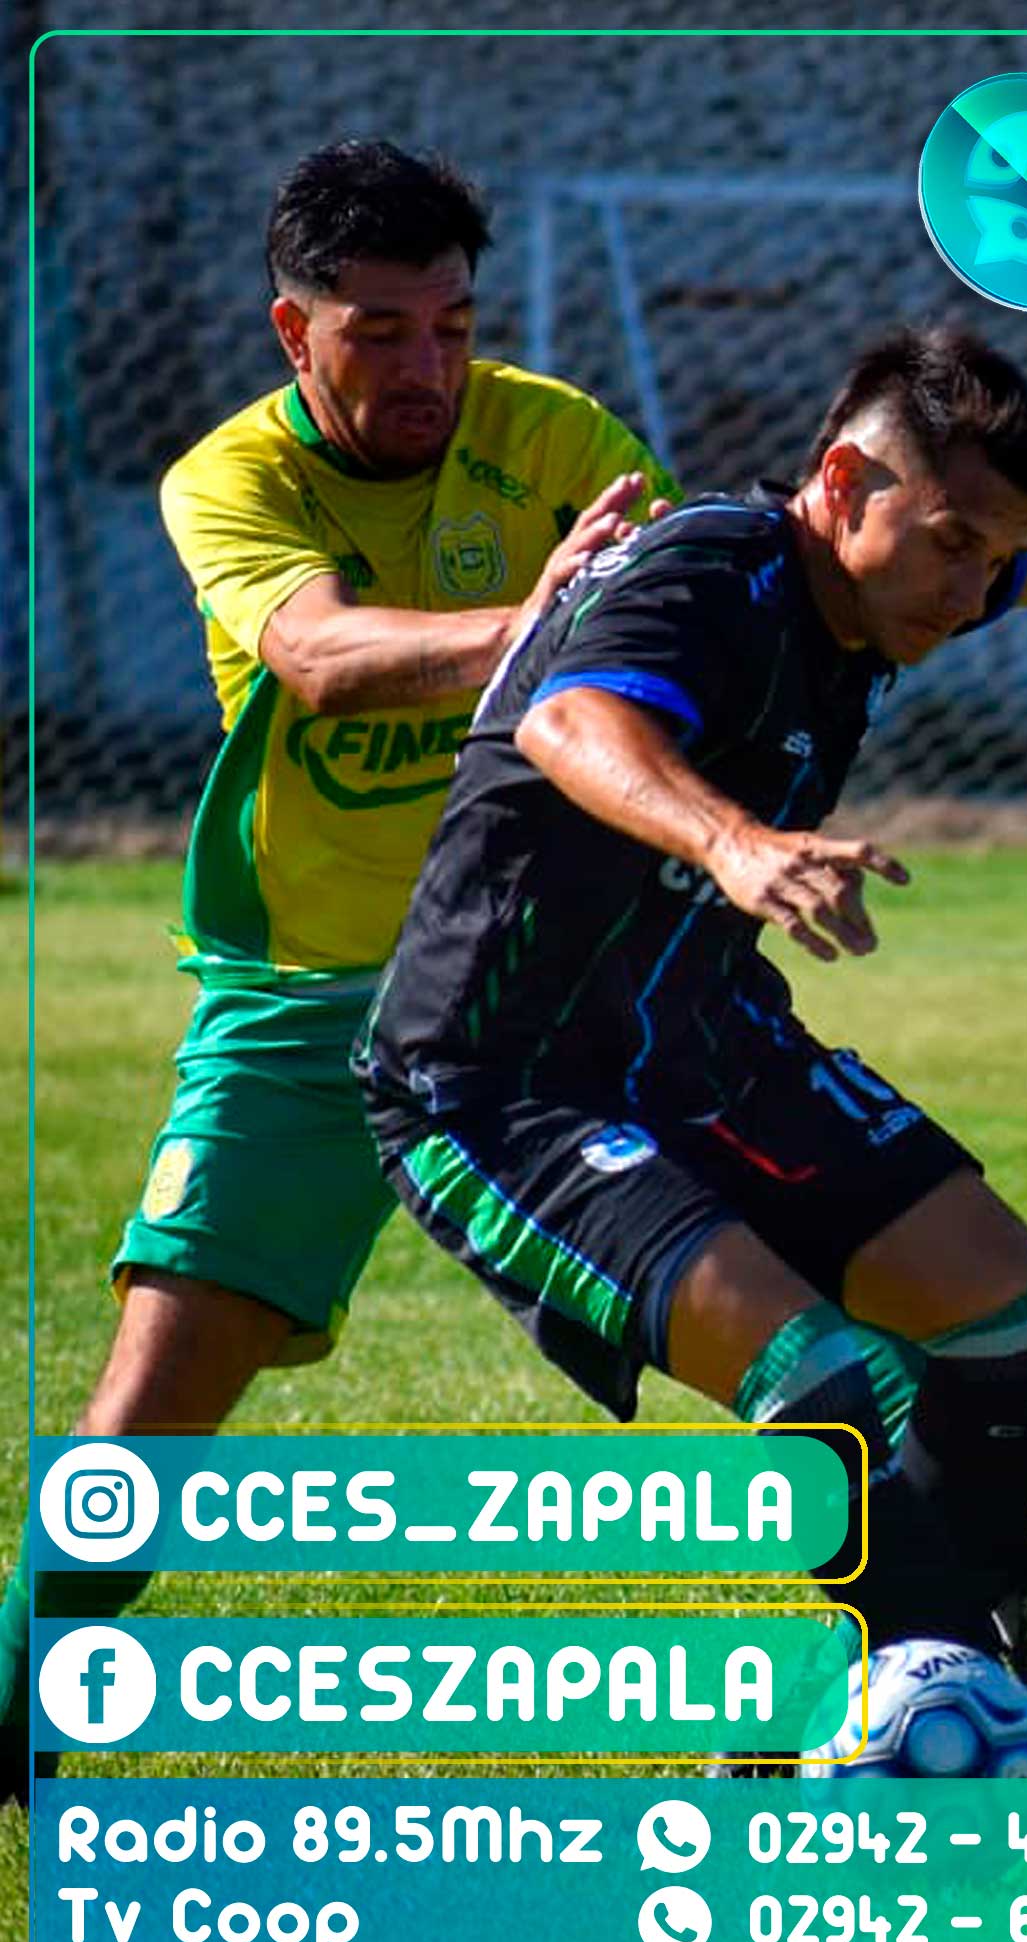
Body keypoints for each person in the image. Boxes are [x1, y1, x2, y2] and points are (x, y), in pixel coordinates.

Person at [351, 324, 1027, 1737]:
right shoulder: (709, 572)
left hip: (698, 1038)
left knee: (1010, 1313)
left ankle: (895, 1679)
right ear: (839, 482)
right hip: (499, 1082)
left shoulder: (896, 583)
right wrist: (734, 840)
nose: (973, 586)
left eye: (989, 557)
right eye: (952, 546)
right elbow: (570, 722)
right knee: (814, 1376)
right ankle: (976, 1704)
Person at [2, 139, 684, 1797]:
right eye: (379, 333)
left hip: (548, 983)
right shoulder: (229, 478)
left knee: (832, 1304)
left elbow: (713, 603)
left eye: (453, 325)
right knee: (149, 1418)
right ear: (291, 331)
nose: (427, 368)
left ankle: (925, 1679)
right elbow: (315, 656)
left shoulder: (554, 438)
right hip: (308, 998)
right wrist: (539, 623)